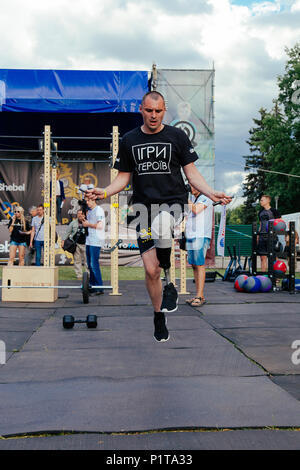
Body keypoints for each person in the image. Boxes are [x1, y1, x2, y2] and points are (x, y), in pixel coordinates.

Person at [86, 91, 232, 342]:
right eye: (149, 110)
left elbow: (192, 173)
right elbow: (123, 178)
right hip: (142, 208)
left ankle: (169, 280)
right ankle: (158, 312)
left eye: (159, 111)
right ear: (141, 110)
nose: (153, 115)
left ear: (165, 111)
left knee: (163, 226)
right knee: (150, 270)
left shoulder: (177, 137)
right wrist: (104, 191)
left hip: (172, 202)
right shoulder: (130, 140)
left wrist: (211, 192)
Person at [185, 186, 213, 307]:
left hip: (201, 235)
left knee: (200, 264)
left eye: (192, 185)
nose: (190, 188)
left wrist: (184, 198)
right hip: (192, 235)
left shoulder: (206, 197)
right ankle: (199, 295)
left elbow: (196, 210)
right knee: (194, 265)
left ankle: (199, 296)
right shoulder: (194, 199)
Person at [82, 198, 105, 295]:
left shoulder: (99, 209)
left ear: (93, 200)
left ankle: (99, 288)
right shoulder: (89, 211)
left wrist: (88, 224)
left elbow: (100, 226)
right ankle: (91, 286)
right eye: (86, 201)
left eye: (88, 200)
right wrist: (83, 219)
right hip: (89, 240)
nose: (87, 202)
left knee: (94, 265)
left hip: (96, 240)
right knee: (90, 265)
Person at [62, 209, 88, 279]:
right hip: (76, 244)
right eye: (78, 214)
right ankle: (79, 275)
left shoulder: (88, 222)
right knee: (77, 260)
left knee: (87, 260)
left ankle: (88, 275)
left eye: (81, 214)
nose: (80, 215)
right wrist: (63, 240)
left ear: (84, 215)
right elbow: (67, 232)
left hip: (86, 244)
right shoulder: (73, 223)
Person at [257, 194, 281, 272]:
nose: (260, 201)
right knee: (262, 258)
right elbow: (260, 225)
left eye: (262, 200)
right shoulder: (260, 212)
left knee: (273, 257)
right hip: (262, 237)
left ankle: (276, 276)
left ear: (268, 201)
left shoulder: (274, 211)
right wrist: (258, 236)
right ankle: (263, 277)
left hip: (272, 237)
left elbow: (280, 224)